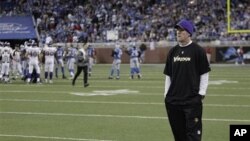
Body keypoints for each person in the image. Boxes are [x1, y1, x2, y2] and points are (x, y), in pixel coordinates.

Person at [163, 19, 211, 141]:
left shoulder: (198, 50)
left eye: (181, 30)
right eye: (177, 30)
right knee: (179, 136)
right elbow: (168, 75)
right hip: (173, 101)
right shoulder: (172, 52)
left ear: (189, 33)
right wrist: (166, 94)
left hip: (191, 101)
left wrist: (201, 93)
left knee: (193, 136)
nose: (178, 32)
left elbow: (204, 73)